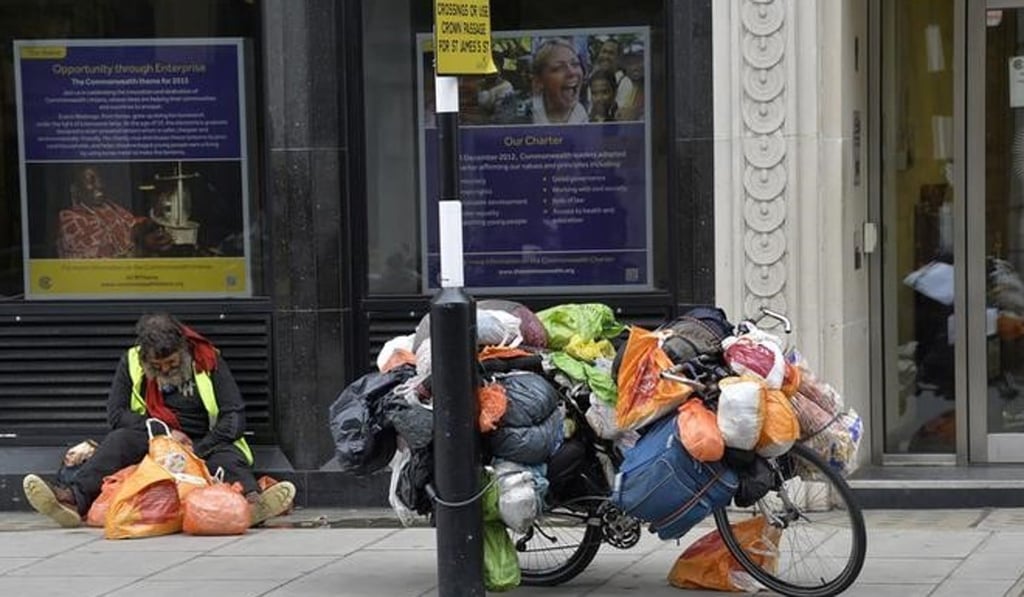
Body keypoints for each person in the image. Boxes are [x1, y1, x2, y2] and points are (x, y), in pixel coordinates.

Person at [22, 313, 295, 528]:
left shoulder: (208, 359)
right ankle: (73, 500)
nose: (165, 370)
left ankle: (252, 502)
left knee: (229, 458)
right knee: (118, 441)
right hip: (154, 438)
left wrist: (195, 451)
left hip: (204, 441)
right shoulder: (130, 362)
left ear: (183, 350)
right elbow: (117, 416)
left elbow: (234, 417)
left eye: (173, 364)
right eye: (157, 366)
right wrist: (166, 435)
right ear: (144, 358)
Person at [56, 166, 173, 258]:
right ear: (75, 189)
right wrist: (145, 247)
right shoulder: (69, 219)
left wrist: (153, 221)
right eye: (91, 181)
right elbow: (103, 263)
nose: (100, 185)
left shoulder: (108, 206)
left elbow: (131, 225)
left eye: (100, 179)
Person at [530, 38, 588, 125]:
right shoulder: (523, 117)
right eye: (559, 68)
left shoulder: (583, 113)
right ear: (539, 81)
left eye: (575, 64)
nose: (572, 72)